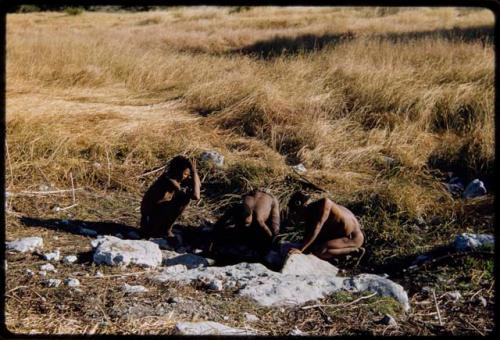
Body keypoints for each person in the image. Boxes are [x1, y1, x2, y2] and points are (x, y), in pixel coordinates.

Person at [287, 191, 364, 260]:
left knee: (320, 252)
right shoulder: (310, 212)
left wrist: (301, 249)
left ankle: (354, 251)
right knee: (314, 248)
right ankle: (338, 254)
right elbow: (308, 234)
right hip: (340, 236)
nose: (297, 215)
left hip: (353, 239)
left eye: (296, 212)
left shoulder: (325, 204)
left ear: (303, 205)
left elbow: (317, 227)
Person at [140, 155, 200, 239]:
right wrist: (194, 172)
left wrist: (194, 172)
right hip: (149, 222)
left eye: (188, 174)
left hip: (156, 217)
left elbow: (197, 187)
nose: (186, 177)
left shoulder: (176, 178)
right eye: (185, 174)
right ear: (177, 171)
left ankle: (164, 229)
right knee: (183, 199)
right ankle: (165, 230)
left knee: (183, 196)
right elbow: (196, 196)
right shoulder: (168, 179)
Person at [212, 189, 280, 256]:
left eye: (247, 223)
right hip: (254, 196)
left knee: (273, 229)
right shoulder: (237, 207)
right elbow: (275, 225)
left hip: (268, 199)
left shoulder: (258, 218)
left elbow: (269, 233)